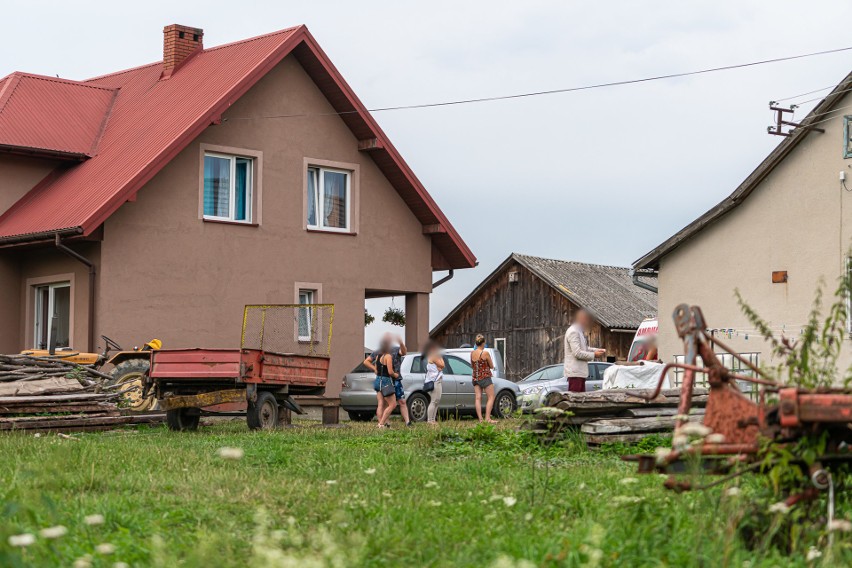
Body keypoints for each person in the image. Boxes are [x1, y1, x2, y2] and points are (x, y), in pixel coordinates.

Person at [363, 333, 410, 426]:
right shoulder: (386, 355)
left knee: (396, 402)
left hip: (381, 380)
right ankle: (382, 423)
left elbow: (404, 352)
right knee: (390, 404)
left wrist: (401, 343)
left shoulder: (390, 350)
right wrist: (395, 375)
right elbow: (390, 372)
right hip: (389, 380)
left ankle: (406, 422)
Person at [564, 309, 606, 392]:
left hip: (579, 373)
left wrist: (597, 350)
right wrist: (594, 355)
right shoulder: (573, 331)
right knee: (575, 399)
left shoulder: (578, 331)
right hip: (575, 373)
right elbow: (577, 353)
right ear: (581, 318)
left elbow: (585, 348)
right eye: (586, 319)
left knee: (580, 399)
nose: (587, 322)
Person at [470, 334, 497, 423]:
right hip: (485, 377)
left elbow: (472, 365)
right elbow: (492, 366)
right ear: (483, 343)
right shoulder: (485, 353)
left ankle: (480, 419)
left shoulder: (472, 353)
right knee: (491, 397)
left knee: (478, 398)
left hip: (475, 377)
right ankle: (488, 418)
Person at [423, 340, 445, 425]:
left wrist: (440, 363)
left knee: (437, 401)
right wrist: (440, 364)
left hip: (438, 380)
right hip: (435, 381)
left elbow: (443, 365)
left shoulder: (436, 356)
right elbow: (442, 365)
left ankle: (433, 419)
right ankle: (430, 420)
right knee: (434, 401)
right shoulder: (433, 356)